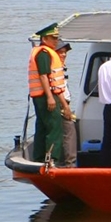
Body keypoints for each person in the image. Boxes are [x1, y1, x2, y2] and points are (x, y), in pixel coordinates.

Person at [28, 23, 72, 165]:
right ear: (45, 39)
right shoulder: (44, 53)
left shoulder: (43, 52)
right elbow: (43, 76)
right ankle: (51, 158)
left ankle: (40, 157)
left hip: (40, 95)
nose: (56, 41)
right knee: (54, 127)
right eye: (53, 38)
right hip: (46, 95)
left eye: (56, 38)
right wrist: (49, 98)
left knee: (42, 126)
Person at [55, 41, 77, 168]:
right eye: (60, 52)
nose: (63, 55)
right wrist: (65, 107)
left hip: (64, 103)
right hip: (61, 104)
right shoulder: (55, 67)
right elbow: (57, 88)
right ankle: (70, 164)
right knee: (69, 131)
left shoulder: (61, 66)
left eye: (65, 52)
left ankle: (64, 162)